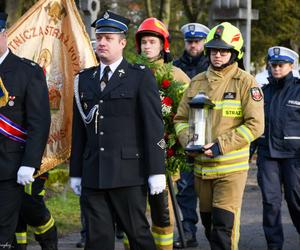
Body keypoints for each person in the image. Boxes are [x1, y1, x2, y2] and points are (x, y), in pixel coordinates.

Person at [69, 11, 166, 250]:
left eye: (108, 38)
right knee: (97, 240)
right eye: (99, 37)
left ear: (122, 43)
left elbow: (153, 127)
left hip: (128, 174)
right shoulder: (84, 79)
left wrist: (156, 170)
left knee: (138, 236)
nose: (101, 42)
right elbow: (79, 131)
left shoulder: (139, 77)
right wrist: (76, 172)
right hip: (94, 173)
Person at [174, 22, 264, 249]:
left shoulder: (246, 83)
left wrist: (219, 145)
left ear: (235, 53)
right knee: (209, 226)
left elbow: (256, 125)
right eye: (214, 50)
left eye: (223, 51)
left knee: (224, 228)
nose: (218, 55)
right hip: (202, 169)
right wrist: (189, 142)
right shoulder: (196, 83)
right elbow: (180, 119)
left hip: (230, 170)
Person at [130, 17, 190, 250]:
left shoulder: (177, 76)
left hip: (164, 152)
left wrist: (175, 143)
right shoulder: (129, 72)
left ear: (163, 45)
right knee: (132, 210)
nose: (147, 46)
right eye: (144, 42)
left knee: (162, 211)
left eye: (151, 42)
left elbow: (185, 115)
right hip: (132, 153)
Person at [0, 11, 51, 248]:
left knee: (2, 232)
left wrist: (30, 163)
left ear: (4, 34)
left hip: (10, 168)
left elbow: (39, 123)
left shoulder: (27, 71)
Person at [254, 46, 300, 250]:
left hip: (294, 156)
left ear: (291, 66)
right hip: (268, 155)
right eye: (273, 65)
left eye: (281, 65)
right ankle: (274, 245)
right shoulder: (262, 93)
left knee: (296, 200)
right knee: (271, 204)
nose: (276, 69)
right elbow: (254, 125)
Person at [172, 22, 209, 248]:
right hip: (185, 135)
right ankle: (188, 232)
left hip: (210, 135)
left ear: (204, 42)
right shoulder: (175, 67)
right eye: (189, 41)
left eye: (197, 41)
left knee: (209, 188)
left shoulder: (213, 66)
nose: (193, 45)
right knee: (185, 188)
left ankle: (215, 231)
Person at [14, 173, 58, 250]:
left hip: (34, 170)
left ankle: (50, 244)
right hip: (8, 169)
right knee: (14, 213)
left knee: (32, 209)